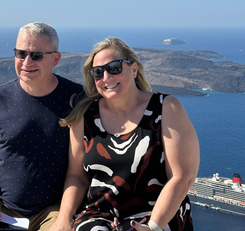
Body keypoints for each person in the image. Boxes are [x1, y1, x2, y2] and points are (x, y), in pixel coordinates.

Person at [50, 37, 199, 231]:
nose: (106, 77)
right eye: (98, 72)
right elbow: (76, 176)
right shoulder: (84, 117)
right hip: (99, 214)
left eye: (114, 68)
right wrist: (63, 219)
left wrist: (154, 226)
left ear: (134, 69)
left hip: (158, 214)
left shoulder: (166, 108)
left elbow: (182, 176)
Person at [0, 22, 84, 231]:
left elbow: (78, 172)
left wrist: (64, 217)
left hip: (54, 209)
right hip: (4, 210)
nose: (26, 62)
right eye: (20, 53)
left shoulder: (75, 99)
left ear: (55, 59)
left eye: (37, 55)